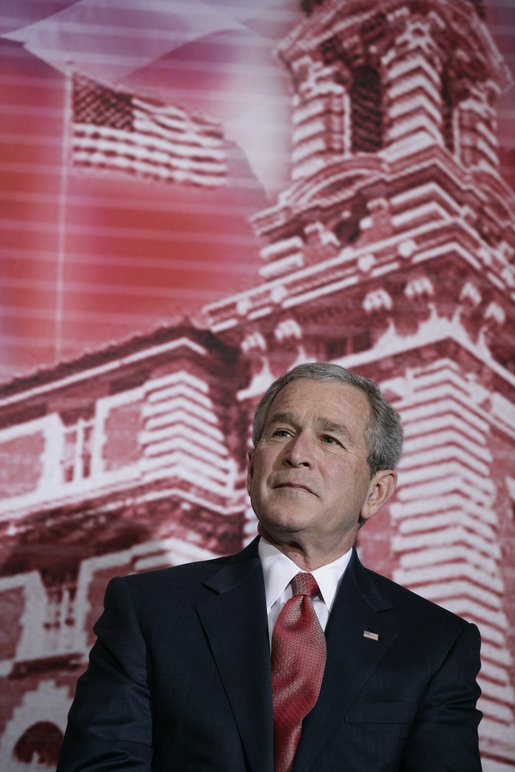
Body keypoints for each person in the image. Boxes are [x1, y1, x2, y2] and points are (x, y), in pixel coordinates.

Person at [57, 362, 482, 771]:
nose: (297, 454)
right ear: (250, 469)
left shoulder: (435, 644)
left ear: (376, 491)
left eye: (330, 439)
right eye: (281, 432)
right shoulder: (147, 612)